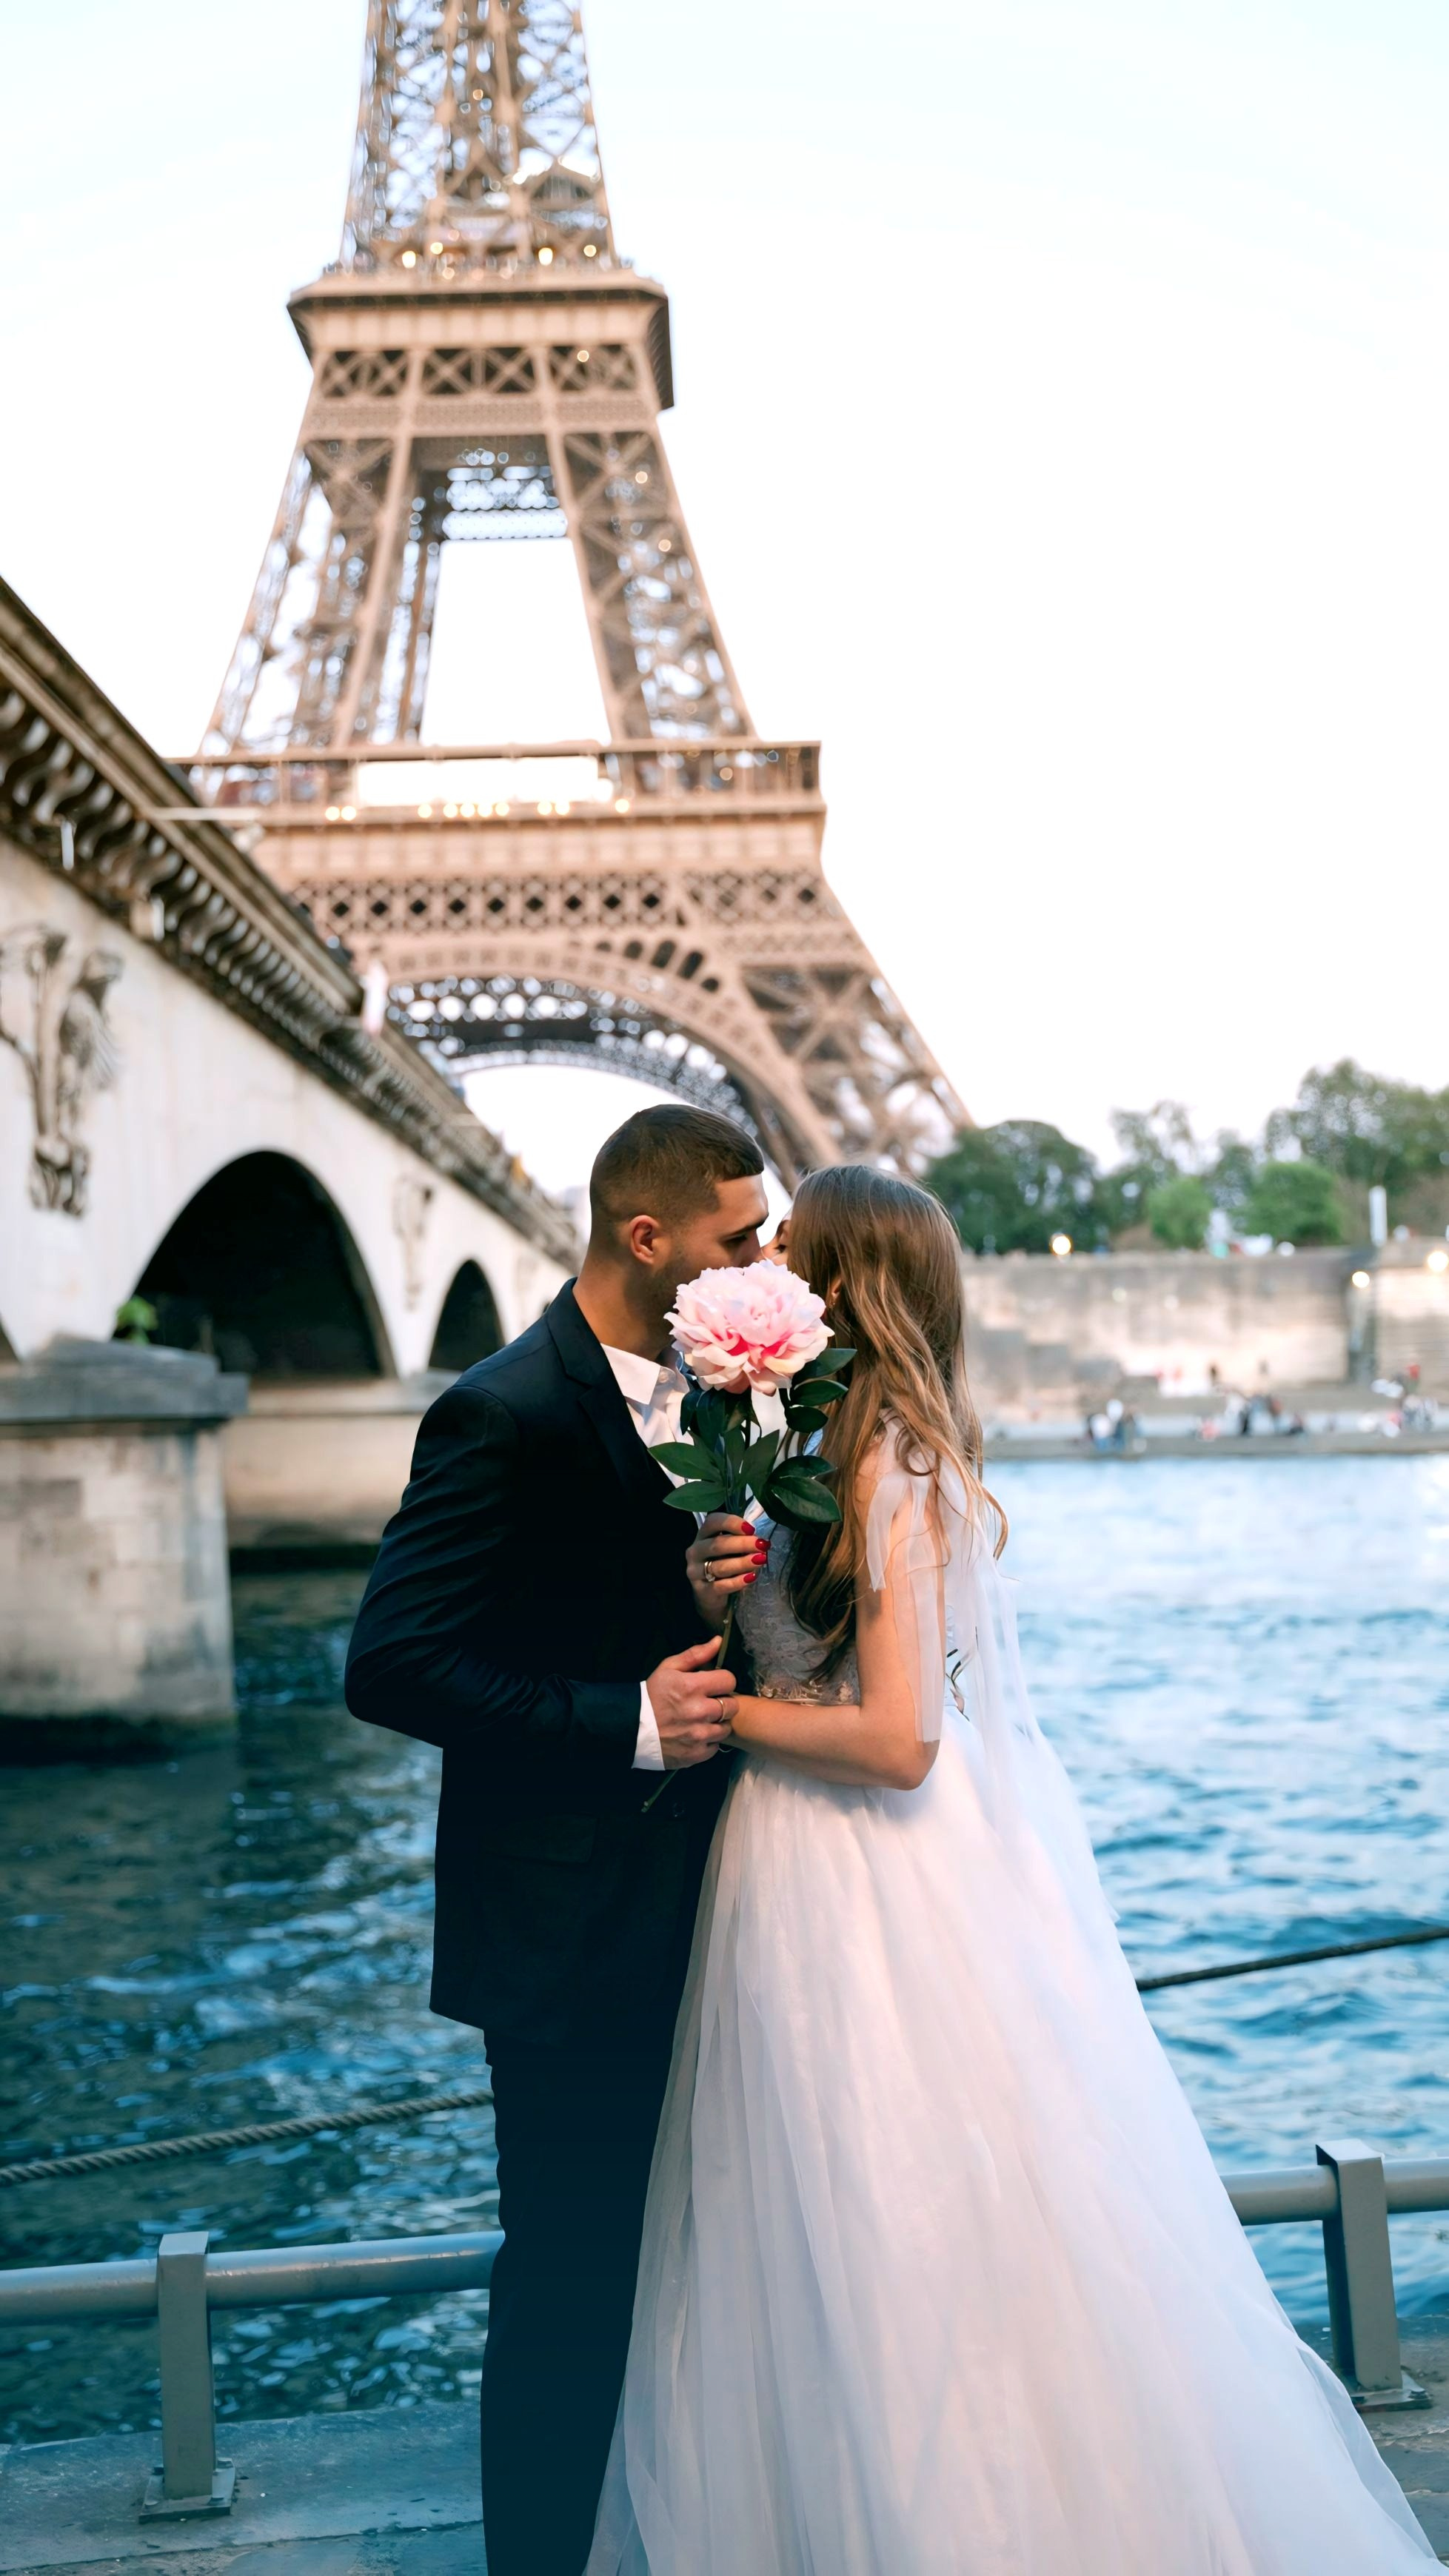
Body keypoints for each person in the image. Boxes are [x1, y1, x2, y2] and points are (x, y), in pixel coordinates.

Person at [586, 1163, 1434, 2574]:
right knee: (818, 2202)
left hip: (855, 1868)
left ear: (848, 1281)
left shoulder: (890, 1462)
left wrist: (723, 1720)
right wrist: (709, 1595)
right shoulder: (804, 1442)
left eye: (797, 1254)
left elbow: (905, 1741)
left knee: (875, 2201)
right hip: (794, 1862)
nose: (771, 1272)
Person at [344, 1104, 770, 2576]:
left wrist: (713, 1604)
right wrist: (624, 1717)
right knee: (573, 2285)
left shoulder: (708, 1397)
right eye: (740, 1239)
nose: (766, 1261)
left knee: (703, 2265)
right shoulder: (501, 1408)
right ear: (649, 1241)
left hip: (713, 1912)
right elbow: (389, 1663)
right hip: (570, 1943)